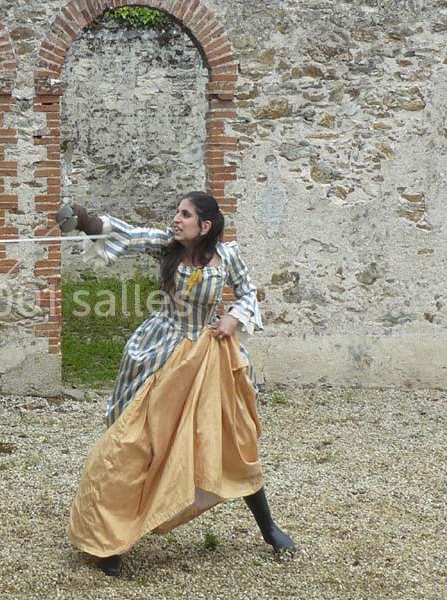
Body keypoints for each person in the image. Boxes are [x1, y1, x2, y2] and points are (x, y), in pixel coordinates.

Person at [57, 191, 295, 577]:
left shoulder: (228, 255)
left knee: (233, 439)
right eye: (176, 212)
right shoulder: (165, 246)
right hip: (161, 352)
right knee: (135, 443)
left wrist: (234, 317)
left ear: (205, 226)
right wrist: (83, 218)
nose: (176, 219)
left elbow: (248, 294)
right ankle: (111, 539)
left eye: (185, 215)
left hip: (209, 356)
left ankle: (268, 528)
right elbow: (127, 234)